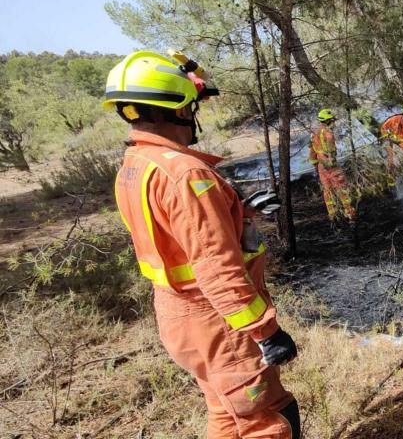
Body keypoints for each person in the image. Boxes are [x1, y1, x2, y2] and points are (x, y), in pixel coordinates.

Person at [105, 50, 300, 438]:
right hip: (219, 321)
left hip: (179, 315)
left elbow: (177, 234)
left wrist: (237, 210)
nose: (195, 115)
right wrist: (266, 331)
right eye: (193, 105)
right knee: (268, 418)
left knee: (227, 413)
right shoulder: (186, 173)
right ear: (179, 110)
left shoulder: (137, 165)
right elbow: (216, 267)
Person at [308, 109, 356, 222]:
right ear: (328, 120)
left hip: (321, 167)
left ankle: (333, 215)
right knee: (342, 188)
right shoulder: (328, 133)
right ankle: (350, 214)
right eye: (332, 120)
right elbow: (330, 151)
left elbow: (312, 153)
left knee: (327, 190)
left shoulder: (314, 134)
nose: (334, 123)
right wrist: (331, 159)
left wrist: (316, 165)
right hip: (331, 166)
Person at [378, 104, 403, 171]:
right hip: (390, 139)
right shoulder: (396, 119)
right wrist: (388, 136)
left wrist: (401, 144)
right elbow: (383, 127)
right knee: (389, 150)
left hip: (401, 144)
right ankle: (390, 167)